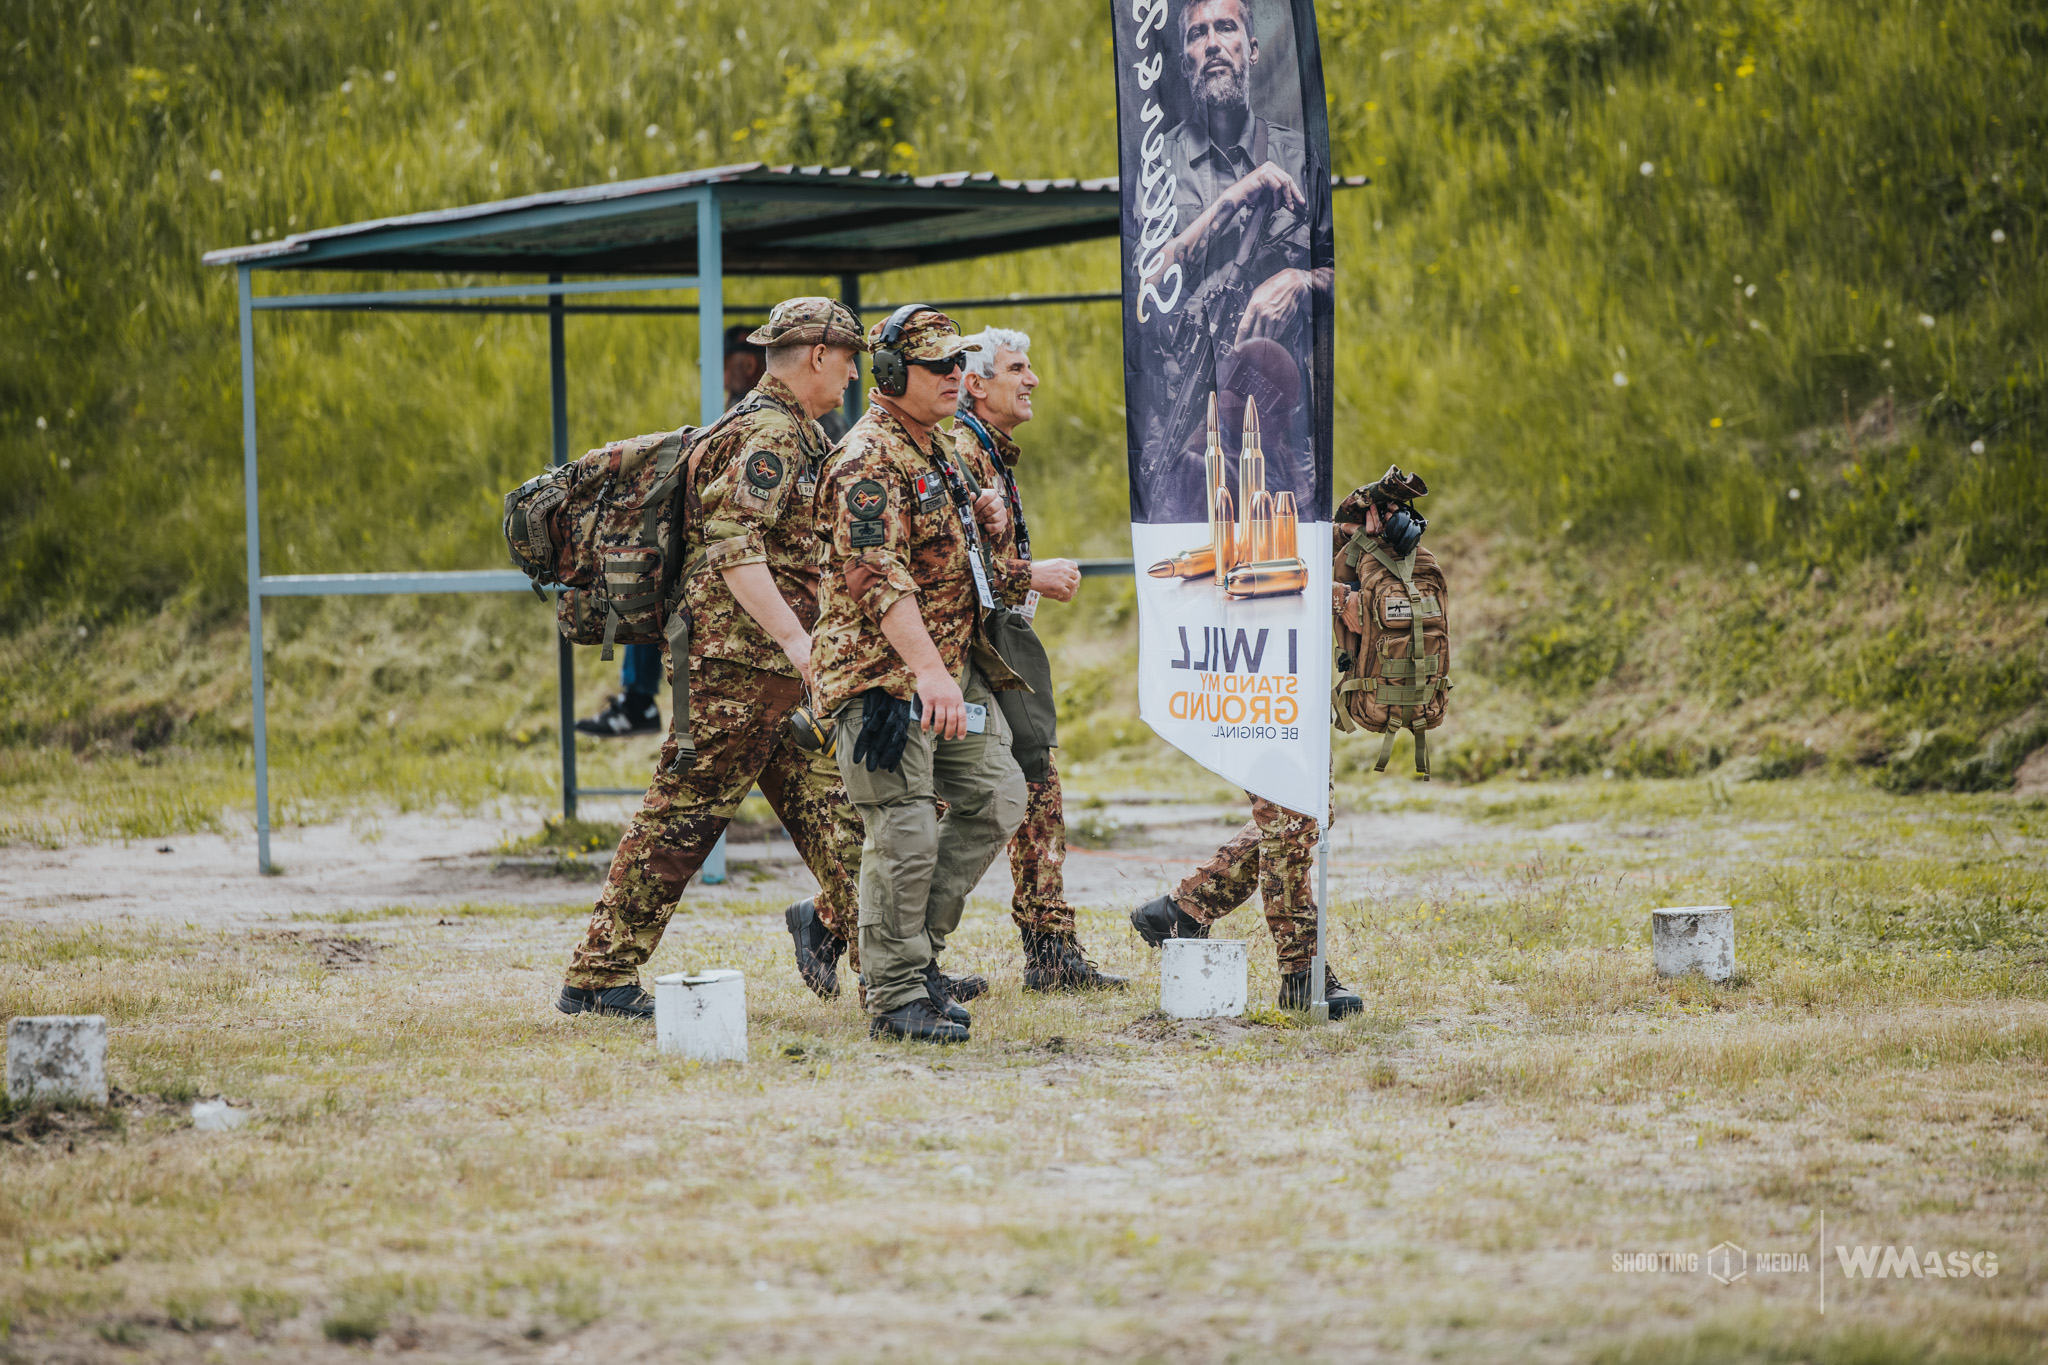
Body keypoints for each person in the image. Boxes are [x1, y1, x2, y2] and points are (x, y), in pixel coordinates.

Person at [557, 299, 869, 1018]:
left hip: (767, 672)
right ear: (817, 355)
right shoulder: (770, 432)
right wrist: (800, 642)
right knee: (680, 819)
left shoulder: (783, 427)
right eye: (848, 356)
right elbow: (735, 544)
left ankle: (891, 965)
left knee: (837, 813)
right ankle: (598, 976)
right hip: (739, 669)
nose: (854, 372)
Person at [812, 307, 1028, 1043]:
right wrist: (932, 674)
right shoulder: (867, 459)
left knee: (997, 796)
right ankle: (897, 992)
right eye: (937, 368)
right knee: (903, 831)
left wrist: (989, 516)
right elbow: (874, 574)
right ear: (895, 376)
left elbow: (958, 555)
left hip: (945, 673)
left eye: (955, 366)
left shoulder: (938, 449)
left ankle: (913, 958)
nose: (953, 378)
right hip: (883, 681)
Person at [948, 327, 1125, 992]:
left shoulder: (986, 451)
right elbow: (954, 565)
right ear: (976, 384)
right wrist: (1032, 576)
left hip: (990, 647)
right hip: (965, 651)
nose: (1034, 378)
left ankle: (1052, 948)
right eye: (1018, 367)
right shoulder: (964, 452)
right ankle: (836, 923)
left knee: (1031, 781)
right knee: (964, 793)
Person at [1129, 0, 1335, 524]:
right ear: (1184, 63)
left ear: (1253, 48)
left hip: (1278, 427)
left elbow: (1342, 271)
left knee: (1285, 581)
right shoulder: (1159, 169)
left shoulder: (1299, 157)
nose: (1213, 43)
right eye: (1197, 35)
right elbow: (1147, 287)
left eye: (1226, 28)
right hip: (1185, 422)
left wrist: (1299, 281)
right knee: (1186, 583)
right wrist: (1236, 197)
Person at [576, 325, 770, 737]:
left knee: (660, 583)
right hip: (732, 556)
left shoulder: (775, 421)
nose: (716, 377)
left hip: (757, 564)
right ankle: (639, 700)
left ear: (746, 363)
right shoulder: (746, 414)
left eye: (719, 366)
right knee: (651, 574)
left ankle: (640, 701)